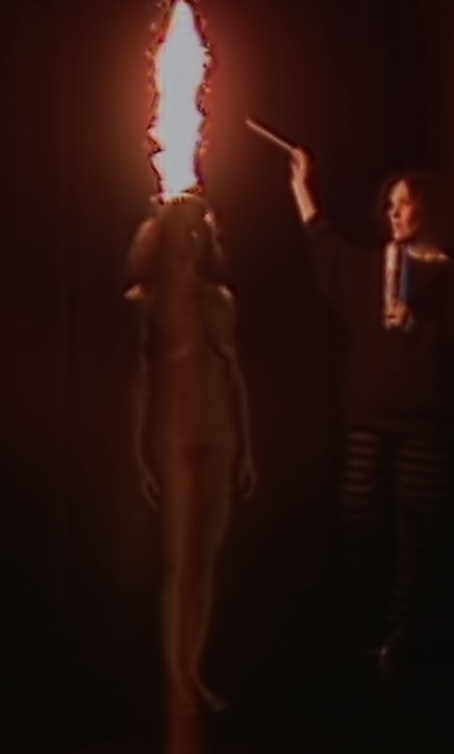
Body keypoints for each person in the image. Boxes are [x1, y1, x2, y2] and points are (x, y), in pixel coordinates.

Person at [289, 147, 454, 673]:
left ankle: (401, 637)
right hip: (367, 420)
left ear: (428, 209)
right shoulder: (373, 268)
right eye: (390, 204)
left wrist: (421, 321)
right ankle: (362, 629)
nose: (394, 211)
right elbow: (325, 246)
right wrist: (302, 187)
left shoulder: (451, 278)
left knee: (416, 527)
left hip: (424, 426)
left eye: (404, 202)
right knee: (359, 518)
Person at [126, 193, 256, 713]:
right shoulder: (145, 302)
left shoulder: (220, 300)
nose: (193, 237)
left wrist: (245, 450)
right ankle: (177, 676)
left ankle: (191, 669)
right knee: (179, 565)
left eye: (200, 229)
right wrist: (139, 453)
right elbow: (139, 384)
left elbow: (233, 376)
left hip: (217, 437)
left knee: (202, 565)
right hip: (172, 441)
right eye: (183, 227)